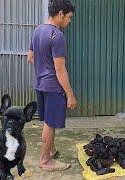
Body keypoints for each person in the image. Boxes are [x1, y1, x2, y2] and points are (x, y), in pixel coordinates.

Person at [27, 0, 77, 171]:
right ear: (61, 14)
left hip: (40, 84)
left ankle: (52, 150)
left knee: (49, 121)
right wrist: (70, 94)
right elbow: (60, 70)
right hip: (53, 86)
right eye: (69, 17)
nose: (69, 21)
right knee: (50, 123)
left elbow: (30, 58)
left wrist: (43, 68)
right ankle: (45, 161)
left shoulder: (38, 30)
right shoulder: (57, 36)